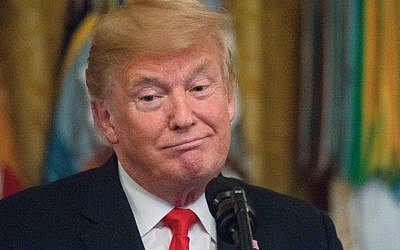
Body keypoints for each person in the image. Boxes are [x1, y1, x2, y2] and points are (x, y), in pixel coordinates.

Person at [0, 0, 343, 249]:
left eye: (199, 88)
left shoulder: (306, 234)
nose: (183, 117)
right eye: (151, 97)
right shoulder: (21, 231)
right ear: (106, 119)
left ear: (229, 100)